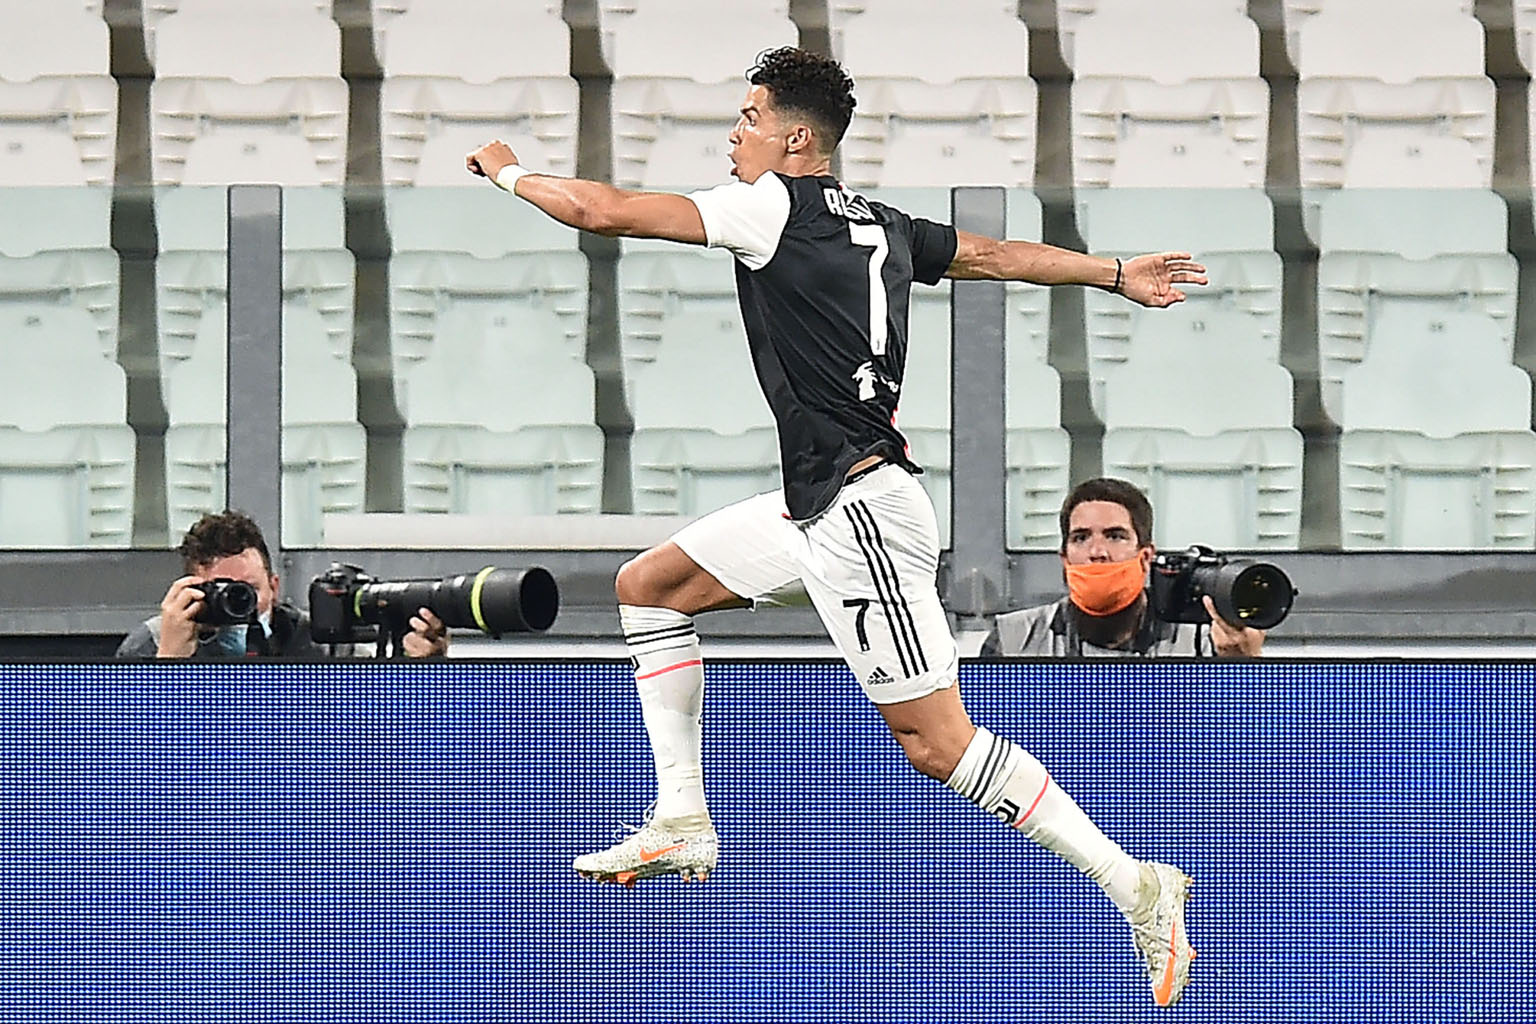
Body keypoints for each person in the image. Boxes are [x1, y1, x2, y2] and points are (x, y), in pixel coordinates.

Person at [468, 47, 1206, 1005]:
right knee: (649, 587)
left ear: (796, 138)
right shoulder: (881, 225)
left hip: (861, 513)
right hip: (817, 504)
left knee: (938, 746)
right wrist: (1112, 271)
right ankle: (681, 815)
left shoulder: (767, 205)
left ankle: (1134, 883)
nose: (735, 134)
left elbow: (599, 210)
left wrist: (508, 169)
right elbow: (994, 255)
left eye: (749, 116)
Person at [982, 478, 1268, 657]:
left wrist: (1245, 669)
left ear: (1145, 557)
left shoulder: (1204, 642)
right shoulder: (1012, 640)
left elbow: (1244, 745)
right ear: (1064, 558)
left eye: (1115, 536)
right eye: (1081, 538)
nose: (1097, 552)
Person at [115, 510, 449, 660]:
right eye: (225, 593)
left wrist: (421, 671)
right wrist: (170, 662)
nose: (240, 608)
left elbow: (382, 736)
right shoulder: (151, 644)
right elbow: (129, 766)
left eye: (249, 591)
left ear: (274, 586)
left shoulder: (320, 644)